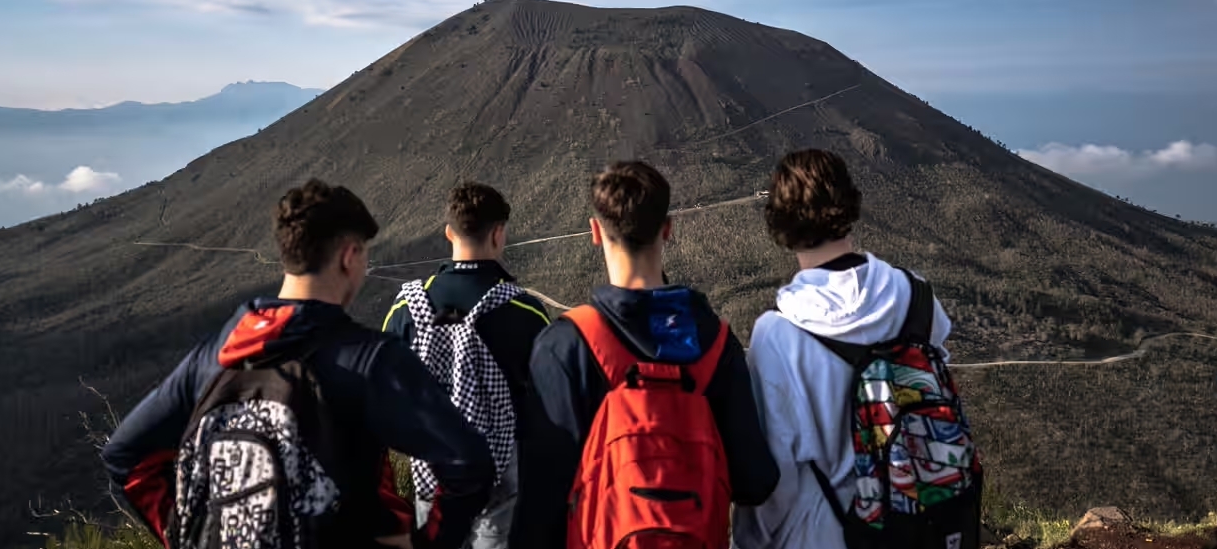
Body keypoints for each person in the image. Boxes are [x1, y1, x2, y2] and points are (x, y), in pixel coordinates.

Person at [102, 179, 496, 549]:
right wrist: (427, 541)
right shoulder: (369, 359)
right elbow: (469, 464)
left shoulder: (218, 353)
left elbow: (125, 455)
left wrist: (189, 533)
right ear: (349, 256)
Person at [510, 161, 779, 549]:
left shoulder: (566, 345)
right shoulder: (715, 344)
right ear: (667, 229)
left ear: (596, 232)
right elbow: (755, 481)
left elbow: (541, 501)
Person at [731, 150, 975, 549]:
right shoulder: (916, 298)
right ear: (849, 203)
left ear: (780, 221)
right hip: (924, 524)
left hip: (825, 531)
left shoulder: (778, 333)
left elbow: (778, 476)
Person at [384, 182, 550, 549]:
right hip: (503, 469)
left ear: (448, 232)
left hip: (434, 471)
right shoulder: (525, 311)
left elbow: (386, 394)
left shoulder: (406, 308)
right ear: (498, 233)